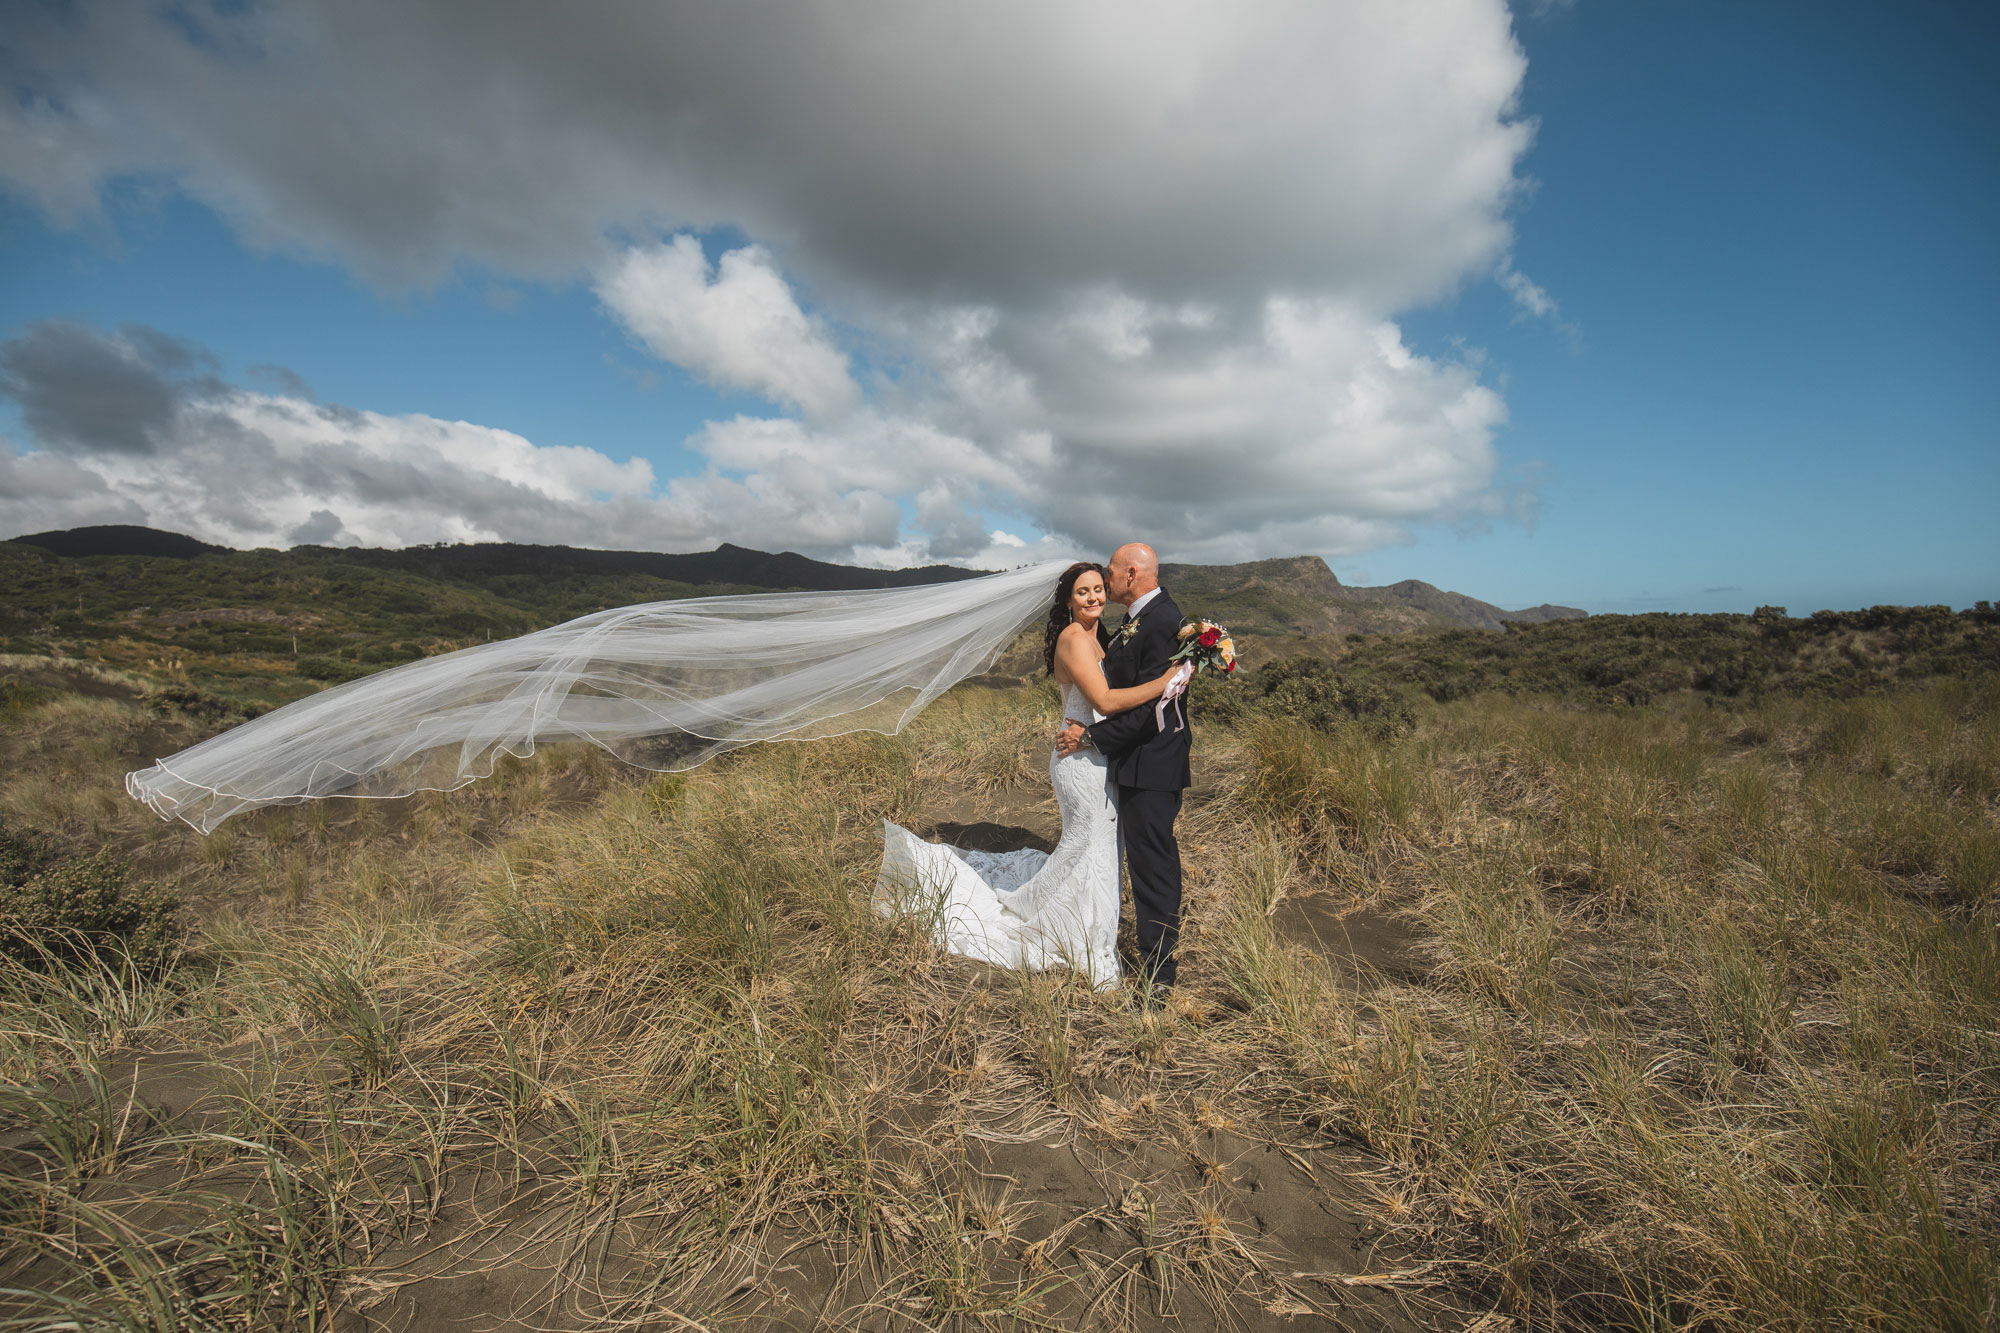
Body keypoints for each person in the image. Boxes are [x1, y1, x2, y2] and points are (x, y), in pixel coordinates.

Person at [874, 561, 1178, 989]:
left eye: (1098, 589)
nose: (1094, 597)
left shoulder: (1100, 636)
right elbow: (1106, 702)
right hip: (1078, 761)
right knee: (1086, 845)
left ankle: (1083, 925)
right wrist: (1167, 681)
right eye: (1083, 592)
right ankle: (1077, 936)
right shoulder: (1074, 639)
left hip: (1095, 752)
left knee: (1097, 849)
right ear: (1068, 601)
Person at [1055, 542, 1189, 995]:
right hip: (1107, 761)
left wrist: (1091, 737)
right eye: (1086, 589)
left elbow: (1147, 710)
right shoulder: (1129, 624)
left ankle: (1158, 976)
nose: (1101, 589)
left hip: (1147, 764)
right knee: (1097, 852)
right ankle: (1087, 937)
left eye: (1106, 577)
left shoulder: (1163, 623)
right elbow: (1116, 698)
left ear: (1130, 574)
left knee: (1150, 867)